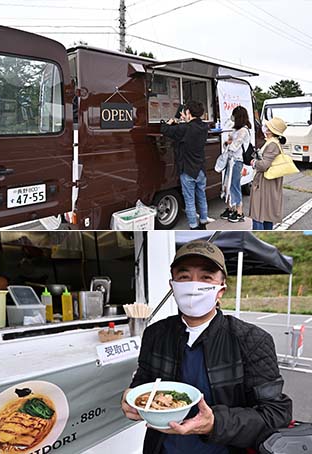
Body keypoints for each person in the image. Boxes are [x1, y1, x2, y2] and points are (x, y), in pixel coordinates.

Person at [121, 240, 292, 454]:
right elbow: (144, 381)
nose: (193, 286)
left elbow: (276, 413)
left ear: (220, 290)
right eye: (184, 277)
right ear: (172, 285)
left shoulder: (252, 340)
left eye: (206, 277)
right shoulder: (155, 334)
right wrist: (133, 397)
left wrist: (216, 423)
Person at [160, 101, 209, 230]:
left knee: (189, 200)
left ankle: (193, 226)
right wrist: (183, 120)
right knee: (202, 196)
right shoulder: (204, 127)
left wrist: (170, 122)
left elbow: (165, 130)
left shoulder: (184, 128)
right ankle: (203, 222)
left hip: (188, 169)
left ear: (188, 112)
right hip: (201, 169)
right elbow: (189, 128)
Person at [249, 117, 287, 230]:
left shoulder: (272, 145)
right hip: (267, 182)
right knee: (266, 214)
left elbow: (264, 165)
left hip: (264, 183)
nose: (265, 128)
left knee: (258, 214)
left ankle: (258, 238)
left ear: (271, 130)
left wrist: (254, 162)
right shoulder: (272, 143)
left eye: (268, 127)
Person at [219, 106, 250, 223]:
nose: (232, 118)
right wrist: (228, 142)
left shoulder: (243, 131)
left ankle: (239, 212)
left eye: (234, 115)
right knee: (227, 185)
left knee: (235, 186)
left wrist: (229, 143)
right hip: (230, 160)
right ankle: (230, 209)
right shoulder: (237, 130)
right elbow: (228, 143)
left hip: (237, 162)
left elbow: (233, 146)